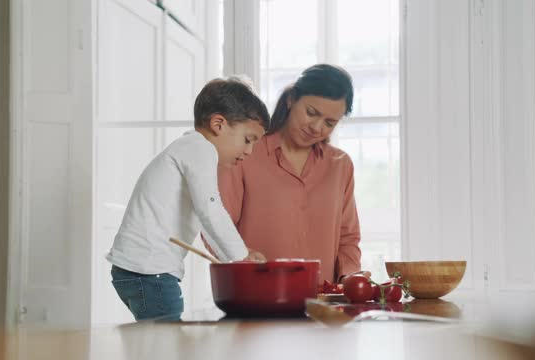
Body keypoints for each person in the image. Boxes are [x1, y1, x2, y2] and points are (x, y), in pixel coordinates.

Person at [106, 77, 270, 321]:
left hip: (137, 268)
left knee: (158, 341)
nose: (249, 152)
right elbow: (210, 210)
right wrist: (241, 256)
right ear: (218, 124)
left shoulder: (189, 149)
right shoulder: (199, 148)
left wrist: (235, 258)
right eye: (248, 140)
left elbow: (205, 222)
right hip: (151, 270)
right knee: (168, 342)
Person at [218, 64, 364, 284]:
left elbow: (348, 238)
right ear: (291, 99)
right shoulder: (245, 153)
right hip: (256, 297)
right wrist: (243, 257)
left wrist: (349, 277)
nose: (317, 127)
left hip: (322, 304)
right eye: (311, 113)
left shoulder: (340, 165)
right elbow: (217, 224)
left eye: (329, 123)